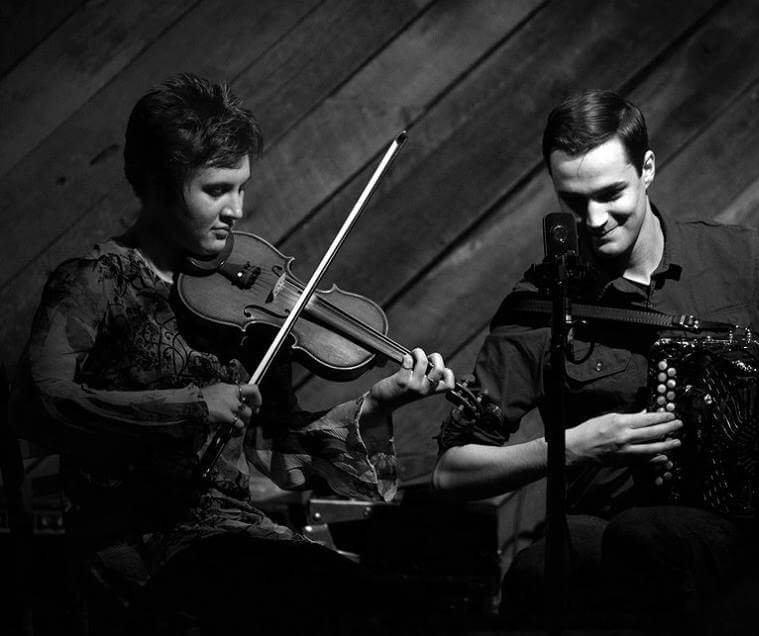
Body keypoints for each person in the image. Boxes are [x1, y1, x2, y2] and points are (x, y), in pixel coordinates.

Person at [432, 89, 759, 633]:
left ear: (647, 169)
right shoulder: (541, 305)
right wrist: (577, 445)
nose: (594, 219)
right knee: (575, 559)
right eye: (573, 201)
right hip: (613, 531)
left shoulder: (740, 259)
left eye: (611, 194)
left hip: (753, 528)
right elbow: (450, 472)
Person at [12, 73, 455, 635]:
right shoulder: (94, 282)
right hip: (135, 538)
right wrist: (194, 405)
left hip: (231, 529)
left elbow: (280, 450)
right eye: (216, 190)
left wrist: (379, 402)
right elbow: (39, 403)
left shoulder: (246, 304)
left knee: (402, 607)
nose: (237, 209)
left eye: (241, 188)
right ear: (156, 183)